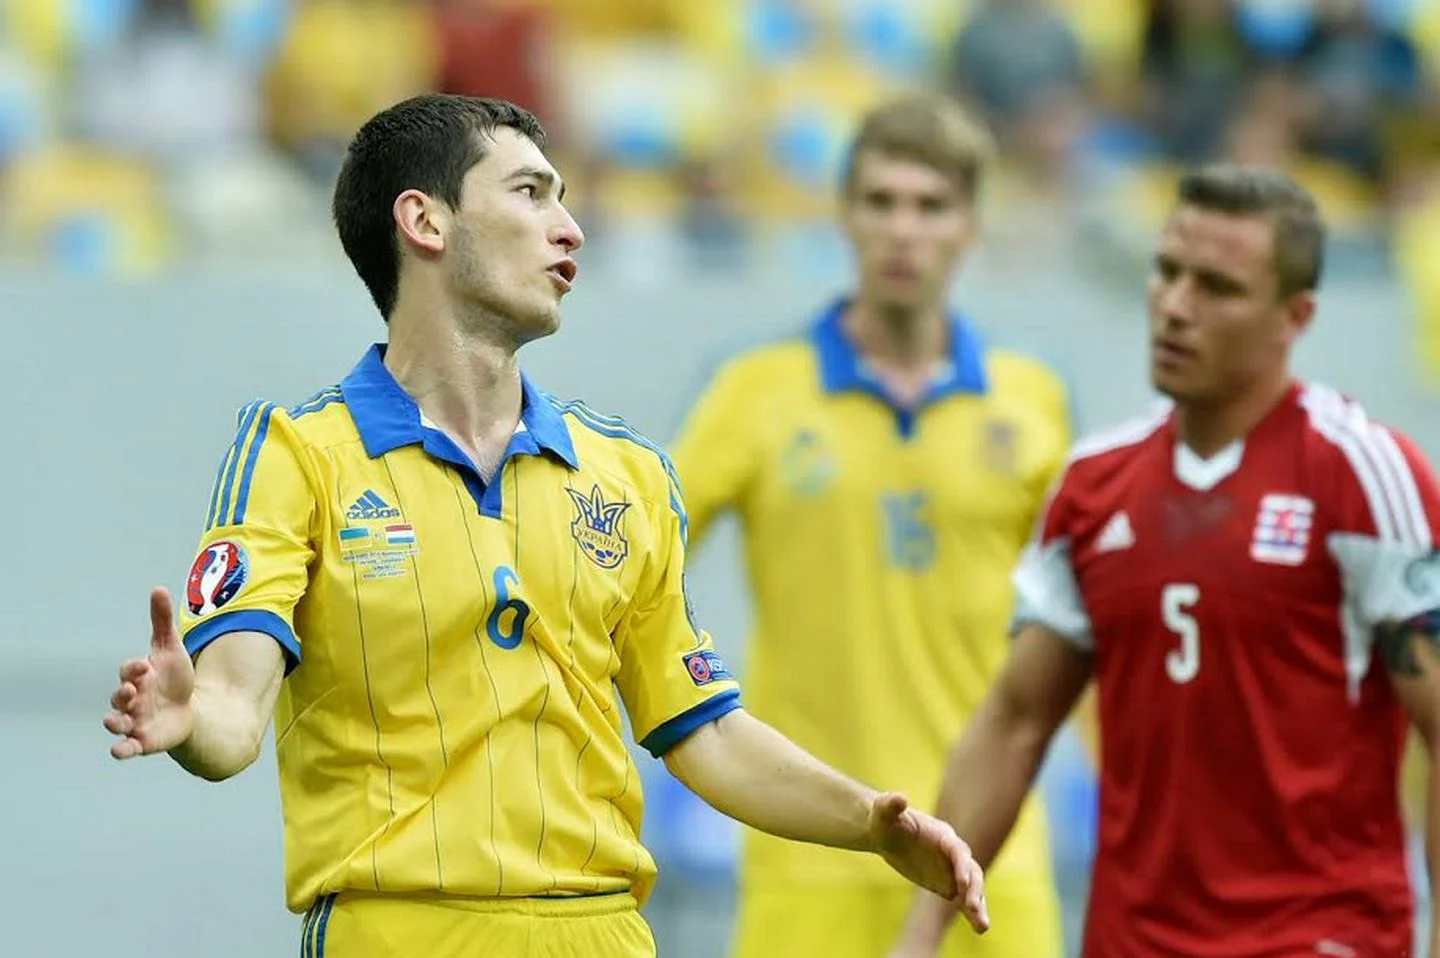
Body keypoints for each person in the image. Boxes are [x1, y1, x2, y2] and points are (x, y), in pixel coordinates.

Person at [100, 94, 989, 958]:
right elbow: (233, 707)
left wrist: (869, 822)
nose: (571, 229)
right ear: (424, 221)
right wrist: (191, 720)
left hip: (602, 933)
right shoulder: (298, 455)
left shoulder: (629, 475)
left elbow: (707, 732)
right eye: (531, 193)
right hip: (398, 932)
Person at [890, 164, 1440, 958]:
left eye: (1217, 288)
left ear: (1294, 317)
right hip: (1134, 941)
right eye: (1168, 271)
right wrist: (921, 931)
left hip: (1318, 936)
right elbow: (1015, 722)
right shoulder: (1093, 488)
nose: (1176, 306)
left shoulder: (1360, 474)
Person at [670, 93, 1068, 958]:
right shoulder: (755, 392)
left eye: (931, 206)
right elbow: (636, 572)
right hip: (810, 856)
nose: (903, 231)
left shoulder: (1032, 403)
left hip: (993, 853)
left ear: (970, 226)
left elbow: (1082, 629)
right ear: (844, 217)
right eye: (881, 202)